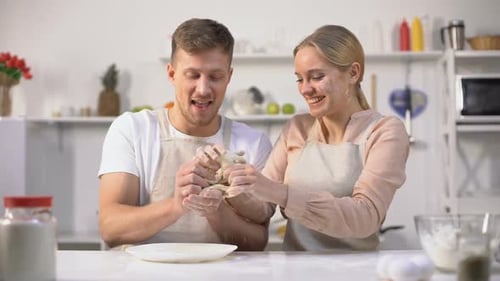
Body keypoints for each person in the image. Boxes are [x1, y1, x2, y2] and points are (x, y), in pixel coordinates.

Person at [223, 25, 410, 251]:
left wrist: (277, 191)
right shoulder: (297, 128)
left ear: (353, 73)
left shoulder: (384, 131)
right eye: (299, 79)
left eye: (316, 77)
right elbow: (262, 207)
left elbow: (366, 217)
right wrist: (228, 184)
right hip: (295, 269)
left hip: (357, 270)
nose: (305, 89)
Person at [97, 18, 274, 250]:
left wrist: (216, 210)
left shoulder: (253, 143)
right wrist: (177, 205)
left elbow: (258, 242)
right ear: (171, 74)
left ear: (229, 77)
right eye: (193, 75)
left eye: (215, 76)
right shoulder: (132, 129)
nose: (203, 89)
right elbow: (110, 228)